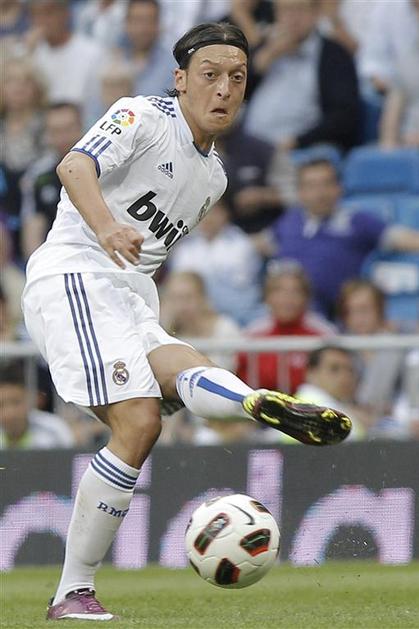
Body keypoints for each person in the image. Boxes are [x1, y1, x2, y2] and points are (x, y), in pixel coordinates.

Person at [22, 23, 351, 621]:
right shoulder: (141, 115)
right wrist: (106, 227)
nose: (224, 88)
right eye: (210, 75)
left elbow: (149, 256)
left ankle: (254, 403)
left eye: (237, 78)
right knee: (139, 419)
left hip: (130, 296)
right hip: (74, 272)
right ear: (180, 79)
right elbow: (73, 166)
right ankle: (71, 592)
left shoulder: (214, 177)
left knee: (185, 367)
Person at [270, 159, 419, 318]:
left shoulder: (358, 221)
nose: (320, 193)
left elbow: (402, 239)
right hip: (288, 312)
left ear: (339, 188)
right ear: (300, 192)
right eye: (311, 186)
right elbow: (261, 244)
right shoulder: (288, 222)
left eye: (327, 184)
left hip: (339, 314)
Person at [244, 0, 360, 151]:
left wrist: (297, 142)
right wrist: (263, 61)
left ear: (316, 13)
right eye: (285, 10)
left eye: (300, 9)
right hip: (250, 146)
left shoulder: (334, 55)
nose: (293, 18)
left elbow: (343, 116)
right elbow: (233, 96)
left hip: (306, 147)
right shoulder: (263, 50)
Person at [237, 260, 335, 394]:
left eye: (296, 291)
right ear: (267, 297)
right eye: (279, 291)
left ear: (306, 297)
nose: (287, 298)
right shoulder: (251, 335)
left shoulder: (324, 334)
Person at [168, 199, 266, 326]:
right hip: (192, 321)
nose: (209, 218)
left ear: (225, 214)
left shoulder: (242, 245)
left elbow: (246, 294)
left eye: (214, 212)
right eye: (204, 212)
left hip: (236, 320)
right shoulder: (183, 249)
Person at [21, 102, 84, 259]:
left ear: (82, 127)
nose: (63, 137)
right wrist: (39, 264)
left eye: (68, 129)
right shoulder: (39, 176)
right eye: (56, 131)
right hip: (56, 257)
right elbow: (33, 228)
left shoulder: (105, 167)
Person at [0, 362, 75, 449]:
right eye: (1, 405)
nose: (9, 413)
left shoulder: (54, 431)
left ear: (28, 399)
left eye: (16, 402)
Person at [295, 346, 366, 439]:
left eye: (350, 370)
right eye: (334, 369)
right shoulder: (317, 408)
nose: (345, 376)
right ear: (311, 373)